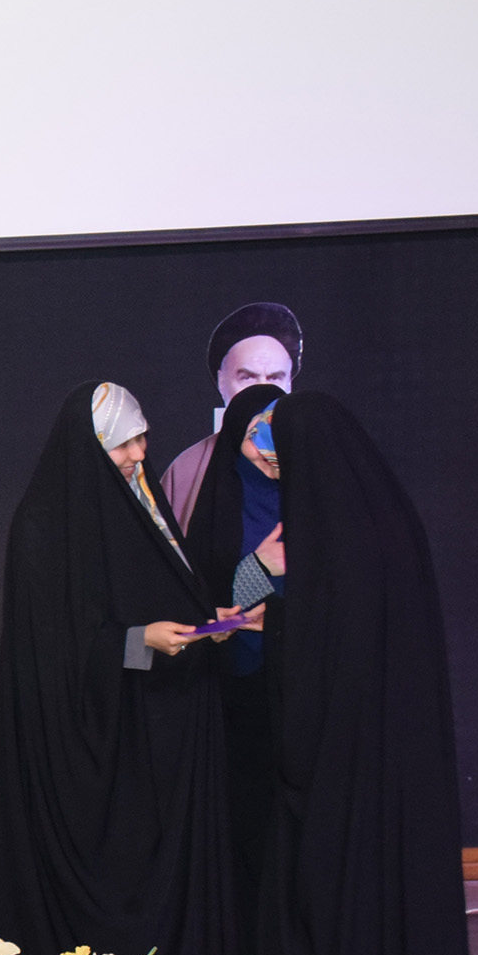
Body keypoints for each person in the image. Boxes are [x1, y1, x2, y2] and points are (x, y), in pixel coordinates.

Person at [254, 392, 478, 955]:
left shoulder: (330, 542)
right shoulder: (387, 520)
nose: (278, 470)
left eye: (283, 457)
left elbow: (318, 665)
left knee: (337, 892)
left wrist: (274, 622)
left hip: (344, 767)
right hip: (400, 760)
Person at [0, 382, 244, 955]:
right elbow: (50, 653)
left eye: (142, 437)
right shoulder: (44, 526)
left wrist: (204, 621)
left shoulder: (141, 506)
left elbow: (164, 590)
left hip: (157, 742)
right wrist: (137, 640)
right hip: (87, 759)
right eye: (122, 444)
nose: (139, 454)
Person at [180, 386, 289, 915]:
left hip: (304, 684)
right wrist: (258, 569)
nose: (268, 449)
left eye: (278, 434)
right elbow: (205, 603)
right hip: (239, 684)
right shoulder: (219, 503)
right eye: (253, 435)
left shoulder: (315, 494)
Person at [162, 301, 302, 534]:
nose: (262, 390)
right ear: (221, 381)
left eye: (275, 378)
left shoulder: (316, 463)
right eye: (247, 377)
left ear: (290, 383)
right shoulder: (186, 470)